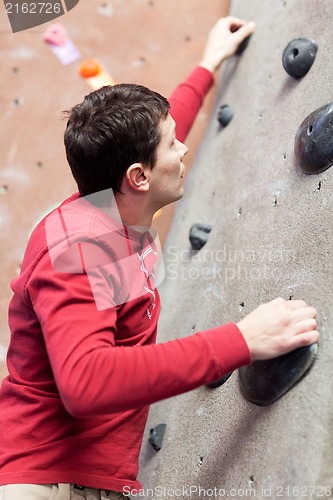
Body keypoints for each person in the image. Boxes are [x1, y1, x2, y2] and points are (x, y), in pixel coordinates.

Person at [0, 16, 318, 500]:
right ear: (138, 179)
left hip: (79, 480)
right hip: (45, 485)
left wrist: (209, 64)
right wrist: (242, 340)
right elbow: (85, 382)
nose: (184, 147)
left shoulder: (104, 207)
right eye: (173, 144)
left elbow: (155, 142)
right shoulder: (80, 250)